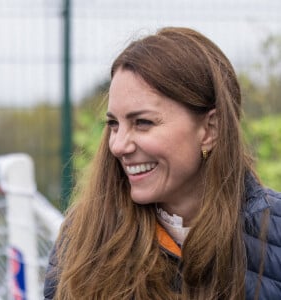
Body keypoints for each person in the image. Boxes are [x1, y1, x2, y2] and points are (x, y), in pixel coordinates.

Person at [44, 27, 281, 300]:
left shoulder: (274, 231)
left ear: (210, 129)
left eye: (143, 123)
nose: (118, 145)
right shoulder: (84, 235)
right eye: (113, 124)